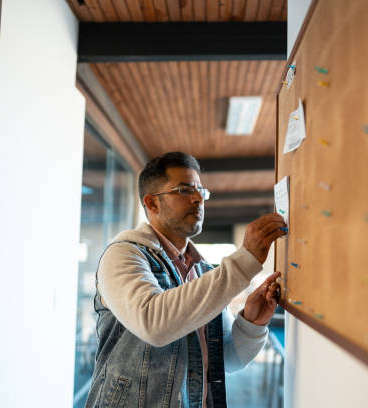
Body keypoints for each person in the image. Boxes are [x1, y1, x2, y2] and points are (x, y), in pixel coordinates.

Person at [84, 152, 287, 408]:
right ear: (152, 203)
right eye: (184, 190)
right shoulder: (123, 254)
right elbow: (154, 324)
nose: (199, 198)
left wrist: (252, 323)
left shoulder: (201, 271)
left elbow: (227, 359)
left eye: (201, 190)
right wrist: (244, 260)